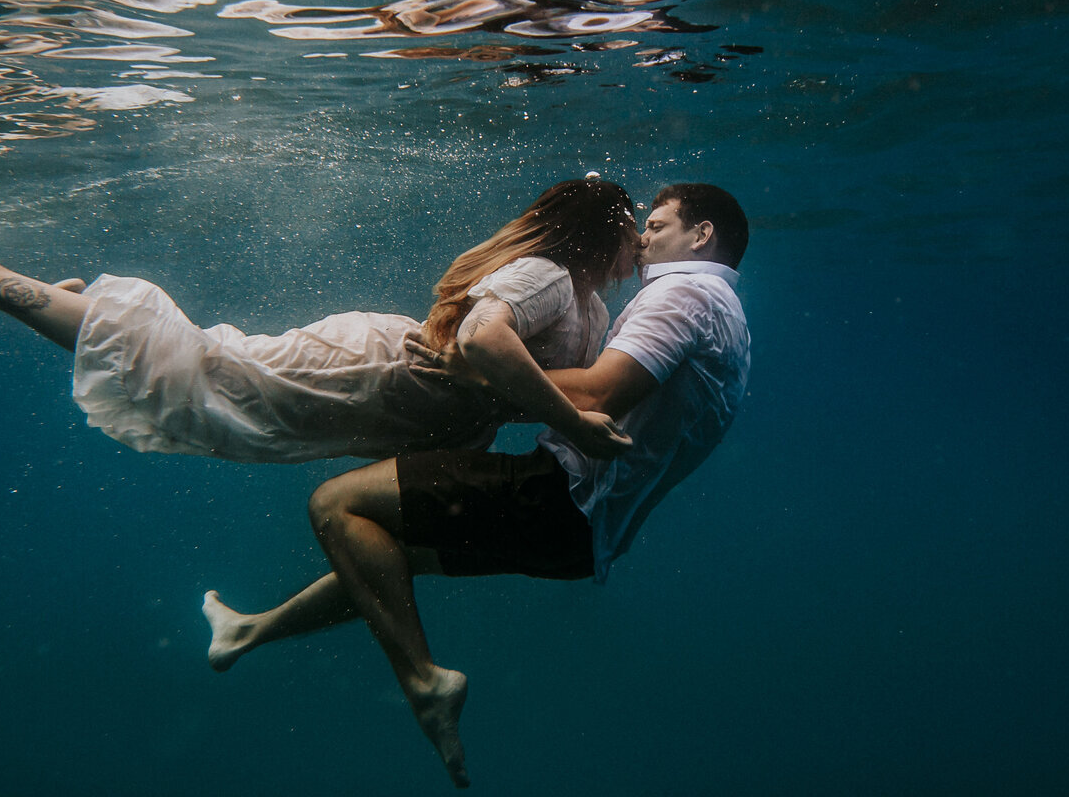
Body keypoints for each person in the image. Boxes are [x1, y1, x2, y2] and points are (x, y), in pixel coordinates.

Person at [200, 183, 751, 788]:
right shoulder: (727, 312)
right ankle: (251, 631)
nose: (643, 236)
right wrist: (503, 389)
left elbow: (596, 393)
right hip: (585, 536)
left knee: (337, 505)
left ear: (701, 235)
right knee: (381, 560)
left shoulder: (683, 294)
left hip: (559, 493)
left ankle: (424, 682)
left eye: (658, 223)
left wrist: (482, 374)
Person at [0, 179, 638, 462]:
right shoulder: (548, 275)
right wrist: (571, 427)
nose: (642, 242)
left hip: (412, 410)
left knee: (204, 382)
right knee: (197, 371)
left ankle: (53, 295)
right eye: (636, 227)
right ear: (600, 234)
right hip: (377, 369)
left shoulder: (594, 306)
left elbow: (547, 383)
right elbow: (480, 338)